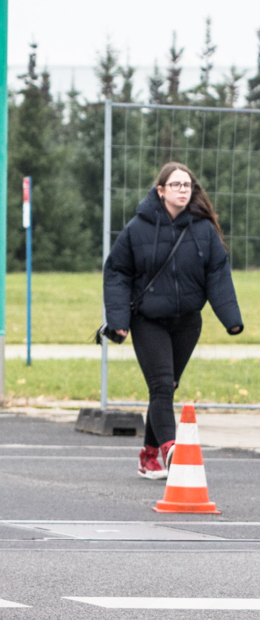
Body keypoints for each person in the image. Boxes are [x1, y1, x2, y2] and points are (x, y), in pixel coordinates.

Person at [103, 162, 243, 479]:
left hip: (188, 322)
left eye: (188, 185)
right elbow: (117, 273)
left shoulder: (203, 229)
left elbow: (218, 275)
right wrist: (118, 319)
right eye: (176, 184)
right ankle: (170, 451)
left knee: (167, 388)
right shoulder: (137, 229)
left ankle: (149, 455)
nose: (183, 190)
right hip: (149, 320)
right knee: (162, 385)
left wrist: (231, 318)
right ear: (161, 190)